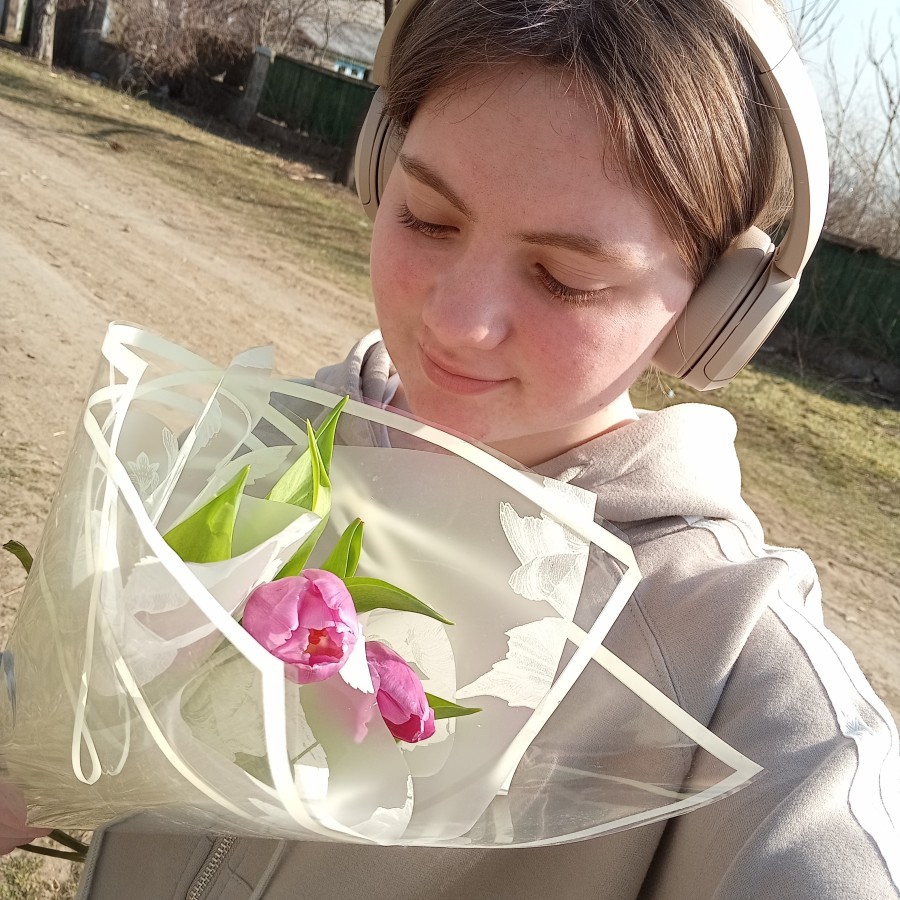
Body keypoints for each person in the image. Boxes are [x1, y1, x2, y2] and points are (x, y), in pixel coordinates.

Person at [77, 0, 899, 897]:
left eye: (564, 277)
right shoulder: (267, 440)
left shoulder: (727, 664)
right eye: (428, 218)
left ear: (714, 312)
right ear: (381, 165)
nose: (458, 323)